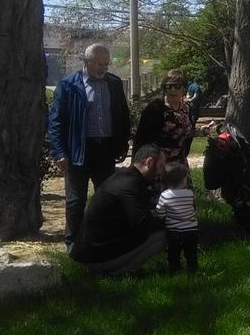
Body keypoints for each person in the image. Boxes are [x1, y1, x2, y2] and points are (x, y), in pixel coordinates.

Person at [49, 43, 132, 250]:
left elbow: (122, 115)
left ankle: (101, 238)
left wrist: (122, 145)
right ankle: (73, 243)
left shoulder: (114, 83)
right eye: (98, 64)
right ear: (86, 62)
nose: (103, 68)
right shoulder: (69, 85)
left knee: (106, 197)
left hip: (105, 150)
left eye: (106, 63)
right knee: (76, 200)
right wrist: (59, 152)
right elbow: (56, 121)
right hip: (79, 150)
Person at [71, 143, 167, 275]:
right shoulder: (131, 186)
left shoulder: (123, 176)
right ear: (149, 162)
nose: (161, 172)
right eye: (160, 166)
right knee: (165, 234)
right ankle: (120, 271)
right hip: (98, 258)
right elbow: (142, 224)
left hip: (90, 252)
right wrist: (169, 220)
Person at [134, 69, 195, 166]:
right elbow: (141, 138)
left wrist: (201, 131)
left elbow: (187, 133)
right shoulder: (155, 108)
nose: (173, 89)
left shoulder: (187, 109)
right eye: (169, 86)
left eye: (177, 86)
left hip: (180, 162)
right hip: (157, 163)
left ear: (184, 88)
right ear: (164, 88)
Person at [156, 162, 199, 273]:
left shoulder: (165, 195)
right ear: (183, 180)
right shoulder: (189, 193)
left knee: (173, 253)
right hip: (191, 230)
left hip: (174, 231)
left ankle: (174, 270)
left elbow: (160, 214)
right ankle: (193, 270)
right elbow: (193, 208)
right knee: (191, 253)